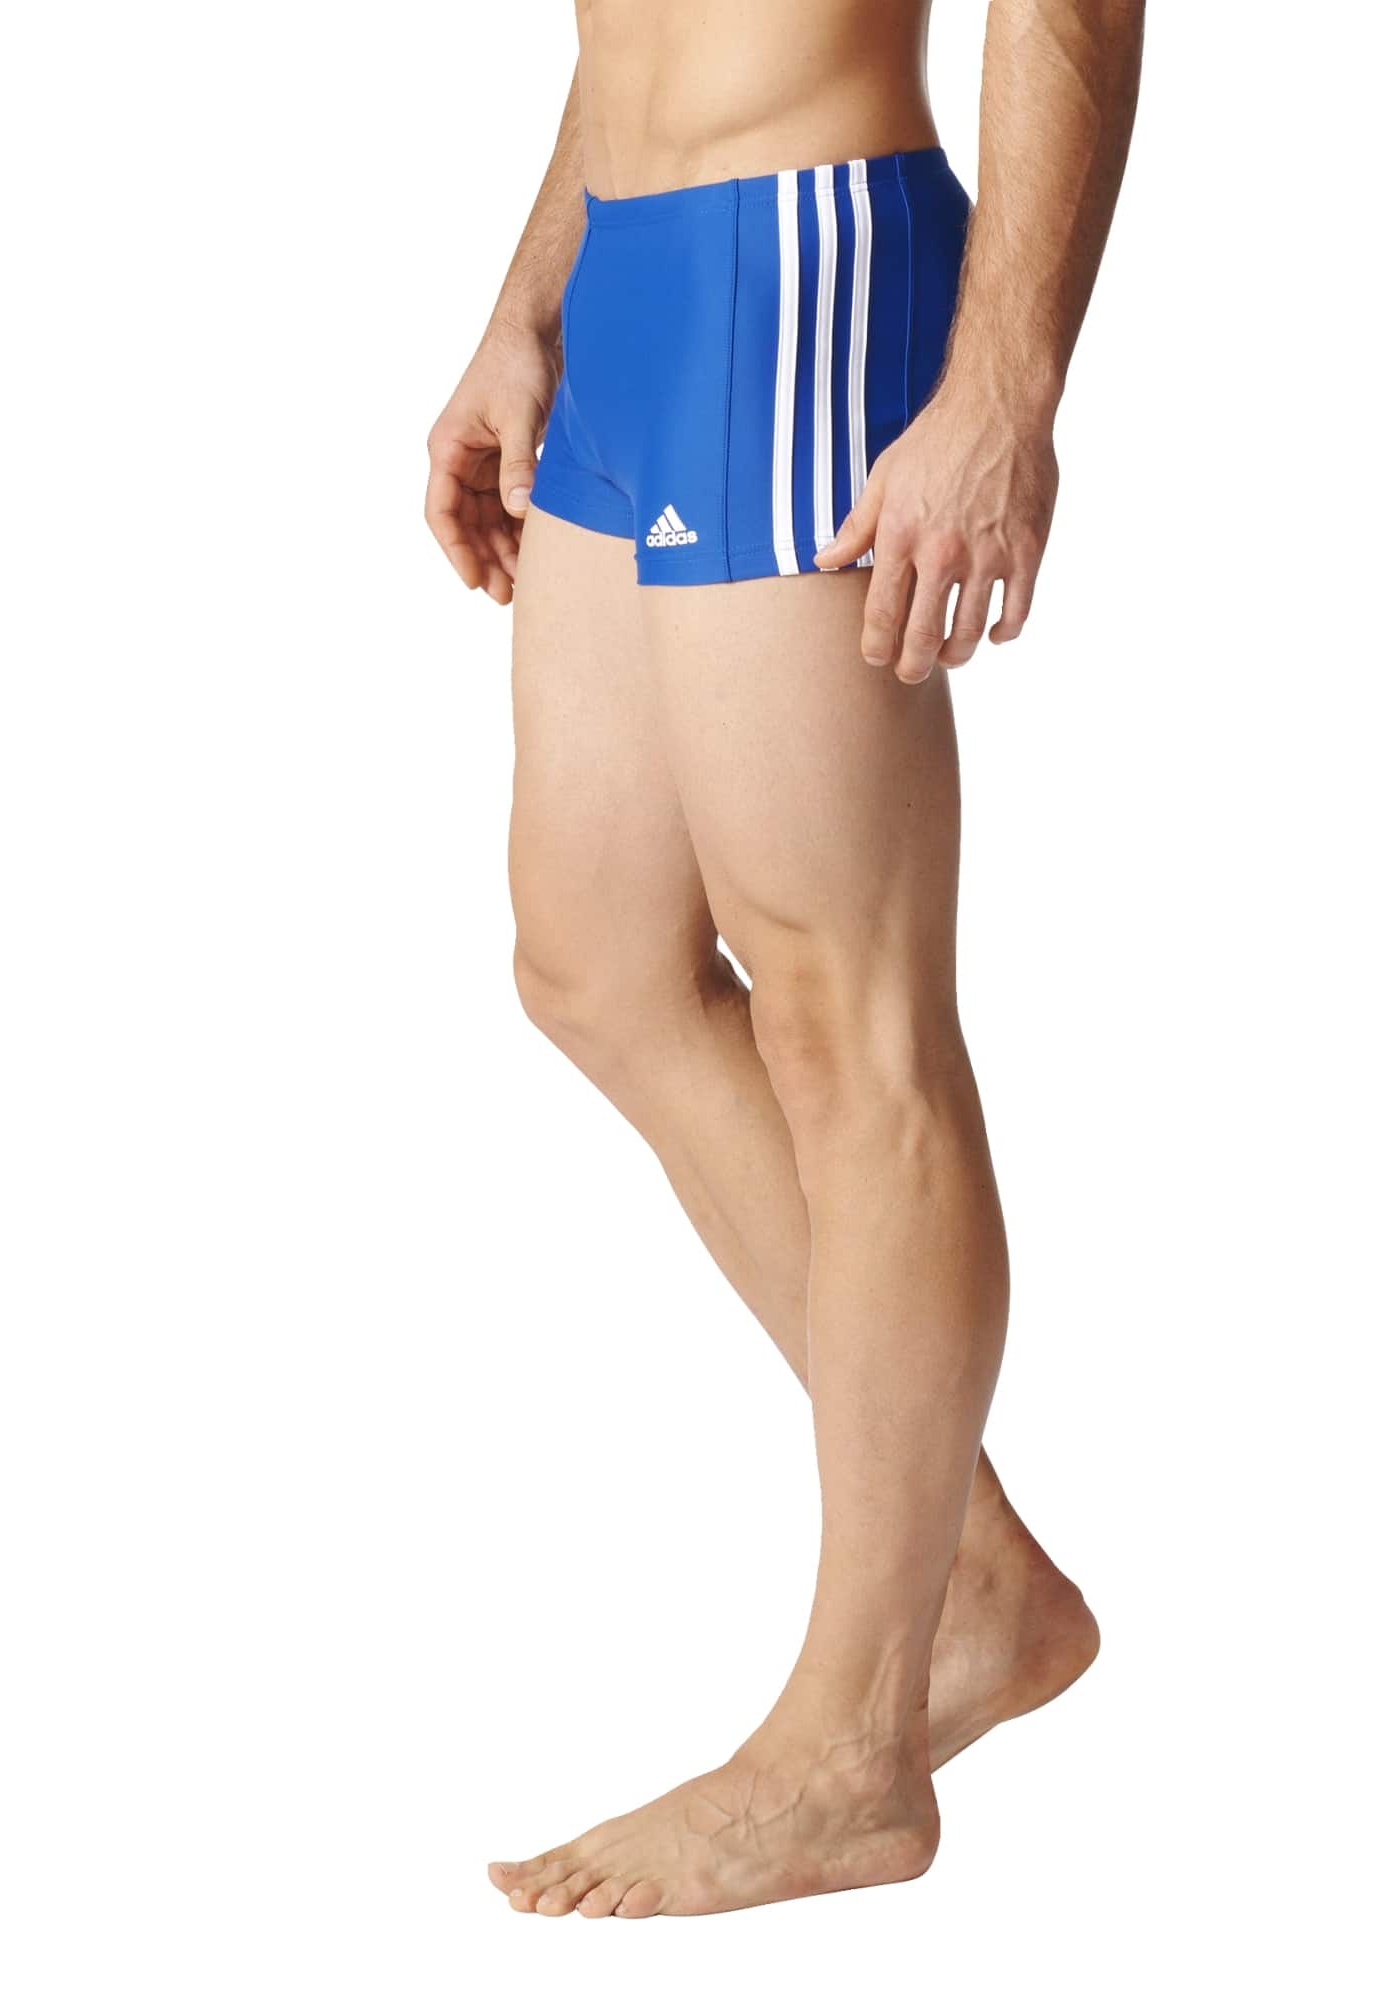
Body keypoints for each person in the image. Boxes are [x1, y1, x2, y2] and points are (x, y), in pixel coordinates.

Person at [426, 0, 1144, 1919]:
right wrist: (534, 297)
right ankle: (973, 1584)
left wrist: (1004, 386)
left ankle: (850, 1752)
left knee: (849, 1017)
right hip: (637, 266)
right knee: (593, 960)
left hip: (800, 260)